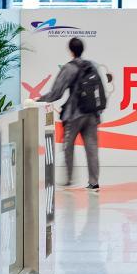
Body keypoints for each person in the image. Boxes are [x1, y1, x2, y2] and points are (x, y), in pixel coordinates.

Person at [37, 37, 102, 191]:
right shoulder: (92, 66)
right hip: (92, 114)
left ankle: (69, 179)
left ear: (71, 51)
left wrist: (39, 100)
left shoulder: (69, 68)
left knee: (68, 146)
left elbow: (56, 93)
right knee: (92, 148)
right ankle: (94, 183)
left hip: (74, 115)